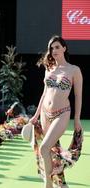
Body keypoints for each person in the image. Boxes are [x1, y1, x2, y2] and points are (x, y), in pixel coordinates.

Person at [29, 35, 83, 188]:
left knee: (44, 147)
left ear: (64, 48)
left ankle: (47, 185)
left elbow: (78, 96)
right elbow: (44, 93)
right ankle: (59, 184)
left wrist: (77, 119)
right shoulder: (49, 68)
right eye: (52, 48)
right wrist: (36, 115)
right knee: (50, 150)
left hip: (62, 113)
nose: (54, 50)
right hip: (46, 114)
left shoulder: (74, 70)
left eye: (57, 47)